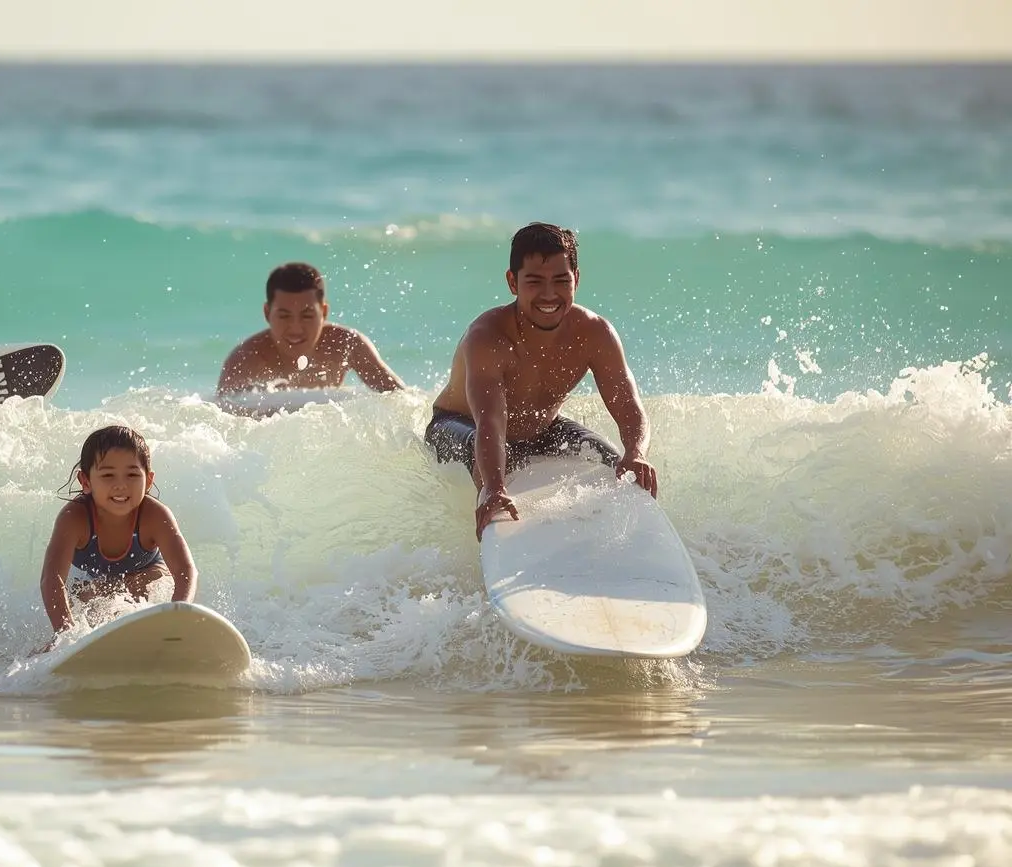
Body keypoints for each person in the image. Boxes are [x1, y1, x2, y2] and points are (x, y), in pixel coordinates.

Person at [426, 222, 659, 542]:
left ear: (576, 279)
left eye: (561, 281)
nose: (549, 294)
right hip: (459, 425)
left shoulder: (596, 333)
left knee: (614, 463)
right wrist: (494, 489)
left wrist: (636, 452)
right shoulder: (487, 337)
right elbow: (490, 422)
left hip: (544, 427)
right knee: (496, 455)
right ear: (512, 282)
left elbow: (628, 403)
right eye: (534, 281)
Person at [37, 425, 197, 645]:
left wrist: (178, 616)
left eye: (132, 474)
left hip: (148, 573)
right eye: (108, 475)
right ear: (86, 482)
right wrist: (65, 634)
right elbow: (52, 580)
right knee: (85, 602)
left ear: (148, 480)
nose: (121, 485)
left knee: (145, 585)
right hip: (95, 579)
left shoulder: (154, 515)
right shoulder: (74, 518)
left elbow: (185, 571)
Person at [216, 262, 405, 405]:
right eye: (284, 316)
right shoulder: (245, 361)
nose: (296, 328)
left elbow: (401, 399)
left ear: (323, 312)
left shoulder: (347, 344)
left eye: (307, 316)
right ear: (267, 313)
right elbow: (224, 426)